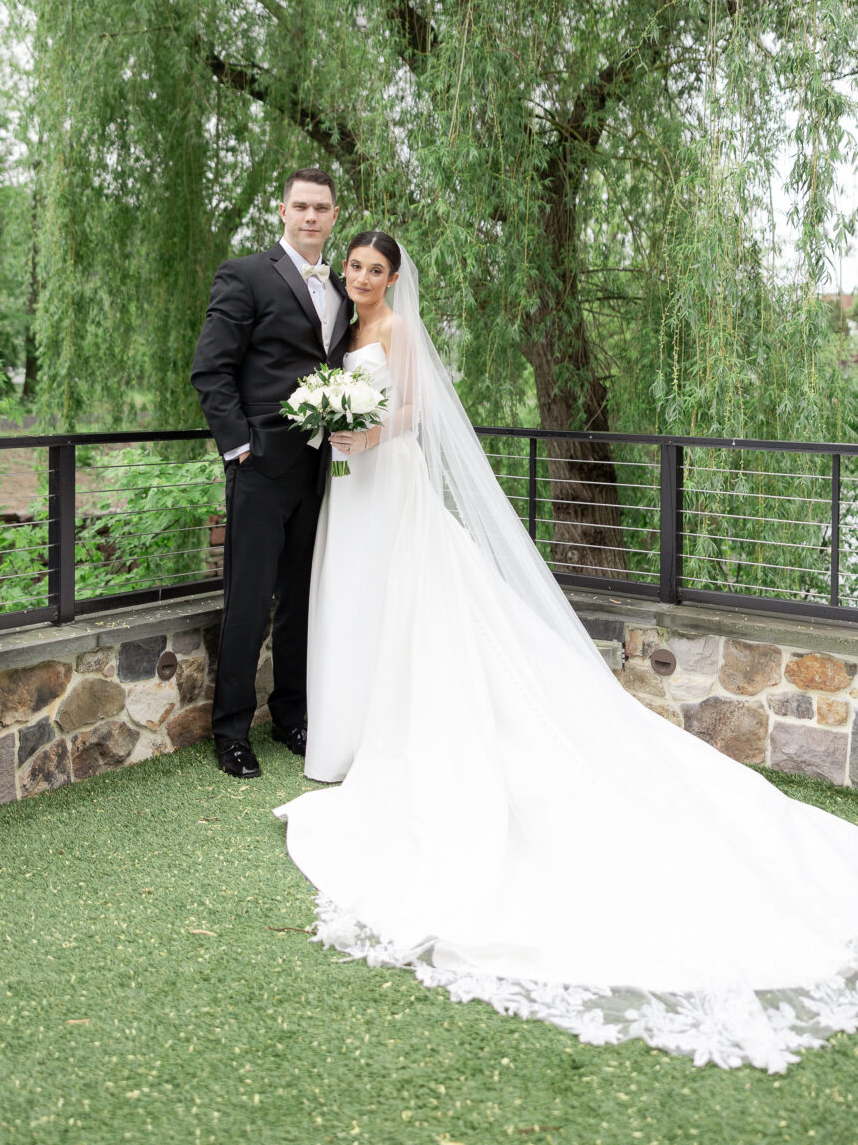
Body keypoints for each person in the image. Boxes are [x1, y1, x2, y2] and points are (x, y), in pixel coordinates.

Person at [276, 233, 858, 1071]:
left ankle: (404, 739)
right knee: (358, 604)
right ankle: (355, 732)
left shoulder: (397, 334)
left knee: (413, 611)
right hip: (351, 494)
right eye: (353, 268)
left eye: (373, 269)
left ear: (392, 278)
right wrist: (334, 424)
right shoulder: (340, 332)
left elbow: (418, 412)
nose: (360, 277)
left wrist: (364, 430)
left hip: (388, 479)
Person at [191, 169, 352, 779]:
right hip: (259, 466)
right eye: (301, 206)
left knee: (301, 601)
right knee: (249, 600)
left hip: (319, 469)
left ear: (334, 216)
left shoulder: (341, 288)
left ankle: (292, 715)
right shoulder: (246, 274)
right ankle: (231, 731)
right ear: (282, 210)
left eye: (323, 208)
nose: (311, 217)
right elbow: (212, 370)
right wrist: (238, 449)